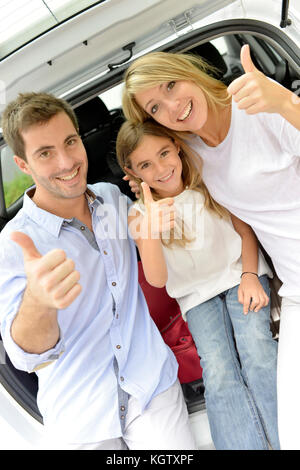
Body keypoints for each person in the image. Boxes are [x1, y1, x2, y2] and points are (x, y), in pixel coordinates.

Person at [121, 44, 300, 450]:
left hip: (260, 279)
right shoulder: (192, 153)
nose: (172, 105)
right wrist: (148, 199)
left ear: (188, 70)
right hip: (293, 290)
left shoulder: (257, 100)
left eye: (171, 85)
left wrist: (287, 103)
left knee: (261, 361)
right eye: (154, 108)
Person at [0, 92, 197, 450]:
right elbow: (23, 357)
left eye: (70, 142)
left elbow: (156, 238)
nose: (66, 162)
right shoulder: (12, 244)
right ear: (23, 164)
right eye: (45, 153)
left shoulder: (110, 198)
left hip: (151, 386)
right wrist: (40, 301)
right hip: (81, 415)